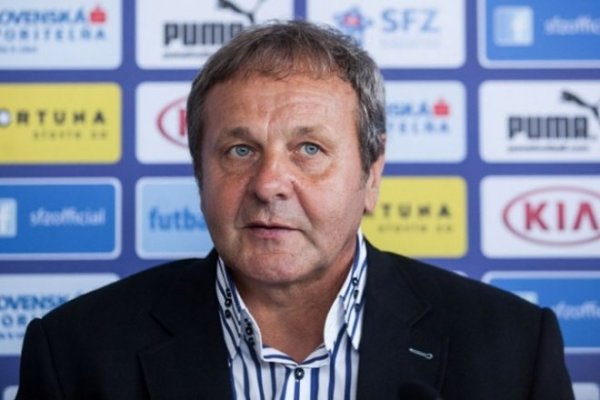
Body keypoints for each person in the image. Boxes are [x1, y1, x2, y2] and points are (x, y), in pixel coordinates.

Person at [17, 21, 574, 400]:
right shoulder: (75, 353)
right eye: (240, 150)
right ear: (198, 172)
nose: (268, 184)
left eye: (309, 149)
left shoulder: (513, 348)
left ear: (371, 174)